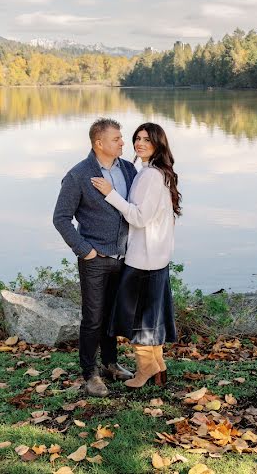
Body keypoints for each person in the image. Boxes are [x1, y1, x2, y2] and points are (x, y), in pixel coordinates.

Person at [90, 122, 180, 389]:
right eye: (136, 138)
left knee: (140, 321)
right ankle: (159, 369)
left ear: (158, 144)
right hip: (155, 259)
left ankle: (145, 370)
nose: (139, 143)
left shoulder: (150, 175)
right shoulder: (157, 172)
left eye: (146, 140)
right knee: (151, 319)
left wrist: (111, 194)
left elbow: (139, 217)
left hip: (144, 261)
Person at [53, 118, 137, 397]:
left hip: (124, 257)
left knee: (113, 316)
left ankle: (111, 363)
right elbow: (61, 218)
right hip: (95, 260)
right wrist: (85, 250)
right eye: (117, 139)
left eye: (121, 138)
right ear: (99, 143)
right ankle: (90, 375)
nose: (123, 142)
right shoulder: (78, 175)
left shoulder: (128, 169)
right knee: (93, 319)